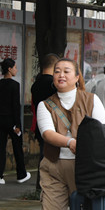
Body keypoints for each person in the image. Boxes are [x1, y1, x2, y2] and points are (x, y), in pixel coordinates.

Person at [36, 58, 105, 210]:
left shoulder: (91, 100)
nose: (61, 75)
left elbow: (100, 131)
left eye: (67, 71)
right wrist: (70, 142)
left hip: (84, 170)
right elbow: (47, 133)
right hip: (54, 169)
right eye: (57, 71)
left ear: (77, 77)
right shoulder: (45, 105)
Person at [0, 58, 30, 185]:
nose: (16, 69)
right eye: (15, 67)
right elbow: (16, 107)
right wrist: (18, 124)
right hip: (11, 121)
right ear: (9, 69)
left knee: (0, 147)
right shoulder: (15, 85)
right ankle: (21, 174)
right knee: (17, 146)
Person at [30, 53, 60, 190]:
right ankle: (48, 186)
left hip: (40, 125)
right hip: (54, 126)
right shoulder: (53, 84)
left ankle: (41, 187)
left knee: (44, 156)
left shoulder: (35, 84)